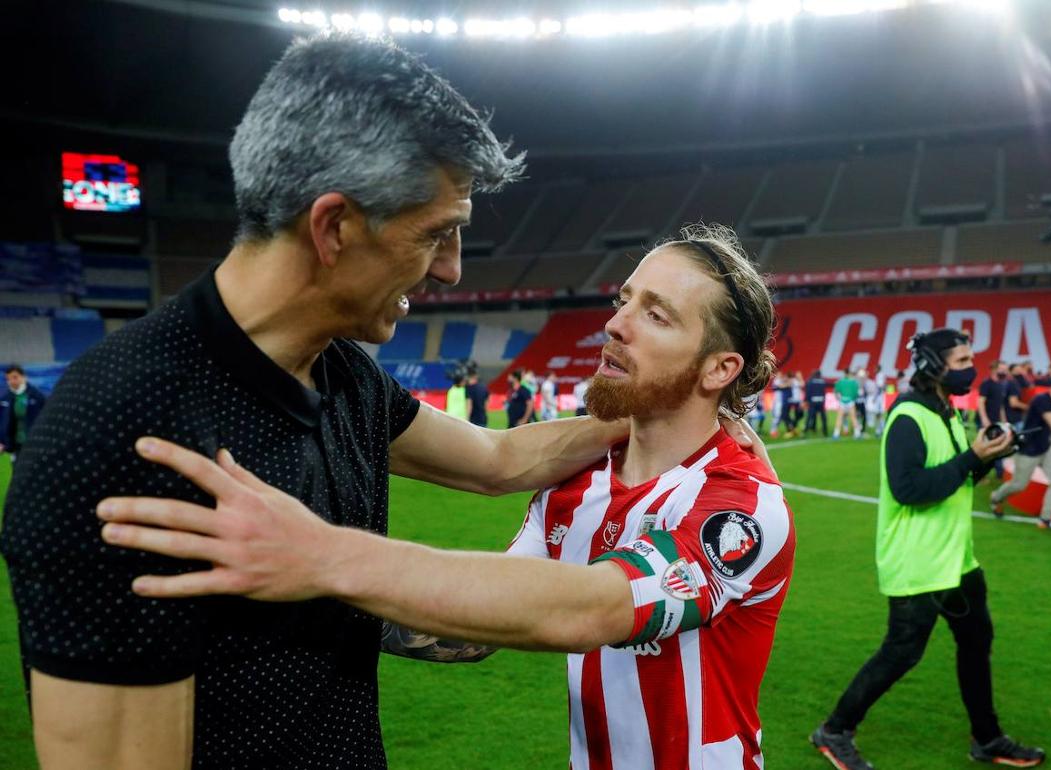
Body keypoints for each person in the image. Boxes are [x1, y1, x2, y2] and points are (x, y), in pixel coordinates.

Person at [0, 32, 638, 770]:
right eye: (438, 235)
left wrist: (659, 407)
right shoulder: (120, 431)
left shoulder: (342, 372)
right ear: (333, 227)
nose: (452, 273)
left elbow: (495, 458)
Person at [95, 224, 796, 770]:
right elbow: (472, 628)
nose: (615, 323)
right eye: (624, 300)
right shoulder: (578, 485)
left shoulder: (740, 505)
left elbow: (593, 608)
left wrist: (321, 554)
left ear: (720, 368)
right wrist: (259, 595)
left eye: (657, 315)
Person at [810, 328, 1045, 769]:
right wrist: (972, 458)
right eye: (961, 362)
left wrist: (988, 454)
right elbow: (910, 489)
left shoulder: (947, 412)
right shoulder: (908, 416)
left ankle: (987, 738)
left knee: (977, 642)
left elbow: (959, 477)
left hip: (958, 560)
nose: (969, 369)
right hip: (918, 562)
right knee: (902, 651)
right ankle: (835, 729)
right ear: (935, 367)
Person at [989, 370, 1051, 528]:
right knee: (1019, 485)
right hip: (1029, 451)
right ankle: (996, 497)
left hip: (1046, 448)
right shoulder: (1041, 400)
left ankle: (1045, 519)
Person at [0, 365, 47, 465]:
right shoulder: (5, 398)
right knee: (17, 471)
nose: (11, 381)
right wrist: (2, 442)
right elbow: (2, 422)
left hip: (35, 442)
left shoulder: (37, 396)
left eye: (15, 377)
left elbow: (48, 419)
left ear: (24, 377)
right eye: (8, 379)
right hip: (15, 443)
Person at [977, 361, 1010, 479]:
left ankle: (999, 474)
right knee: (984, 450)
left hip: (997, 422)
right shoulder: (987, 384)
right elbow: (980, 402)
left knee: (998, 449)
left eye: (1006, 369)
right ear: (994, 369)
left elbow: (1000, 405)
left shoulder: (1002, 385)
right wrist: (984, 419)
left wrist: (1004, 421)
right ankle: (980, 476)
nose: (1004, 372)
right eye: (1002, 369)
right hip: (986, 422)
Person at [833, 370, 862, 440]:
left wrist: (839, 399)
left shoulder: (840, 381)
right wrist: (852, 398)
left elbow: (836, 392)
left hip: (842, 401)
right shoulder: (853, 382)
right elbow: (856, 393)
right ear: (849, 374)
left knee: (839, 418)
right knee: (853, 417)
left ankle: (836, 434)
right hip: (850, 401)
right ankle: (857, 434)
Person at [805, 368, 829, 436]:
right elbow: (824, 392)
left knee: (809, 417)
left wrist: (806, 400)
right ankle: (825, 431)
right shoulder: (822, 381)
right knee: (823, 418)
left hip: (813, 401)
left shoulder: (810, 381)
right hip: (821, 401)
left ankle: (806, 430)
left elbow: (808, 392)